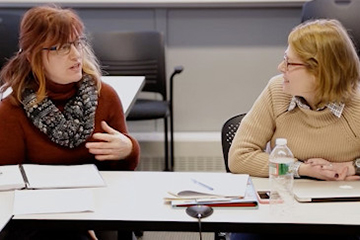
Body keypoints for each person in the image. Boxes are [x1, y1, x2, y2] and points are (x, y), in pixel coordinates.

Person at [0, 5, 140, 240]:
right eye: (62, 48)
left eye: (77, 43)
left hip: (97, 209)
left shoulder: (103, 96)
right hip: (35, 222)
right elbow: (9, 190)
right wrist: (73, 221)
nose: (76, 55)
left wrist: (129, 149)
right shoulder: (12, 110)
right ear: (34, 55)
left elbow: (122, 178)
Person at [229, 19, 360, 240]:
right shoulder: (276, 91)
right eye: (284, 60)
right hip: (280, 209)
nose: (281, 68)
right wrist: (301, 169)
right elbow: (239, 157)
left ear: (321, 71)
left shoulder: (357, 103)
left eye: (290, 63)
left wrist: (353, 166)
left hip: (341, 214)